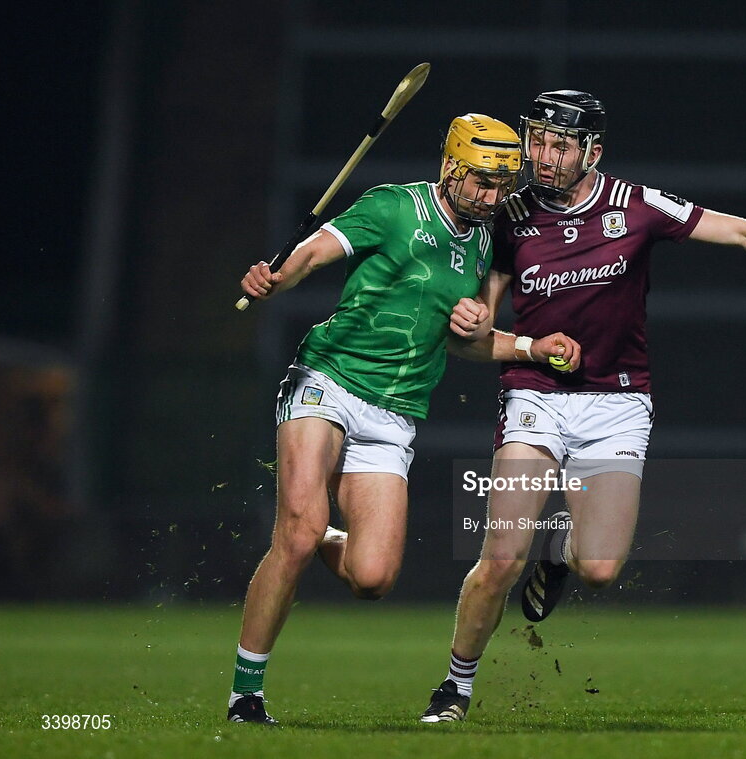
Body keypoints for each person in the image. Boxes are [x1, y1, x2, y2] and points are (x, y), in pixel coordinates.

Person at [420, 90, 746, 723]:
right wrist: (470, 324)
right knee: (499, 556)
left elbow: (739, 231)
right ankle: (455, 687)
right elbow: (477, 338)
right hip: (535, 397)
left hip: (618, 402)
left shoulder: (633, 205)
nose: (541, 157)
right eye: (536, 141)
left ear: (592, 152)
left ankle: (560, 556)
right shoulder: (509, 216)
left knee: (599, 568)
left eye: (559, 145)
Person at [227, 113, 580, 724]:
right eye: (481, 183)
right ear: (450, 168)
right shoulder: (392, 207)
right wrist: (277, 277)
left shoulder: (486, 243)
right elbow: (316, 250)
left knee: (373, 578)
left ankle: (315, 542)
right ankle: (245, 694)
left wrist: (528, 345)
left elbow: (467, 344)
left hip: (396, 411)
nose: (493, 196)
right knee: (298, 529)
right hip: (328, 381)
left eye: (501, 185)